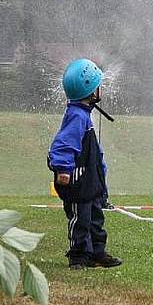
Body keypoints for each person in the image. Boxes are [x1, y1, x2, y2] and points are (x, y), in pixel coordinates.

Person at [48, 58, 122, 270]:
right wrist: (63, 169)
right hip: (79, 183)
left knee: (95, 219)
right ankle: (79, 256)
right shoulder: (77, 116)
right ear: (90, 90)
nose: (101, 89)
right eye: (98, 85)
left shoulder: (84, 115)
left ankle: (97, 252)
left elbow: (94, 153)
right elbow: (63, 144)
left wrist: (101, 174)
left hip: (91, 182)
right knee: (80, 220)